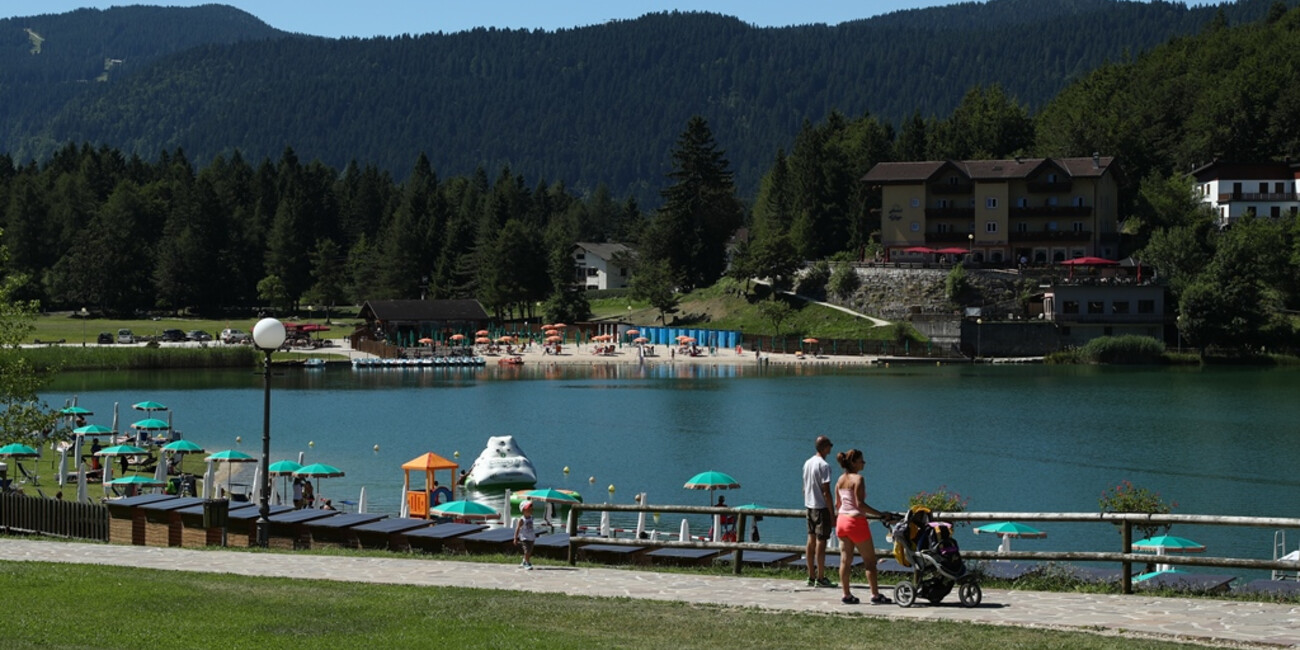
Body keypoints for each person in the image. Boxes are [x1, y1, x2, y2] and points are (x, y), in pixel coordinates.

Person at [834, 448, 890, 605]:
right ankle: (875, 594)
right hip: (856, 522)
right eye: (861, 461)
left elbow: (837, 504)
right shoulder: (858, 479)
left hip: (842, 521)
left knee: (845, 560)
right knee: (870, 562)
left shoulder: (840, 480)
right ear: (854, 463)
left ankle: (846, 594)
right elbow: (860, 504)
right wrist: (880, 514)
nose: (864, 463)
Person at [802, 435, 835, 588]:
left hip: (809, 506)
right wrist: (831, 511)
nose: (831, 449)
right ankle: (820, 577)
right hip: (821, 507)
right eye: (829, 446)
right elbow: (826, 492)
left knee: (810, 541)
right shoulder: (824, 466)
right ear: (824, 447)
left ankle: (811, 575)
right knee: (821, 542)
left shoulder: (807, 463)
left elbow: (804, 488)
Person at [514, 500, 536, 570]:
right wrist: (515, 538)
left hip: (531, 537)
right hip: (524, 538)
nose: (530, 511)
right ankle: (527, 562)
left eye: (531, 509)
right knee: (527, 550)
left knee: (530, 551)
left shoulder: (531, 517)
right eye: (528, 510)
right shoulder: (522, 519)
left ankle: (525, 560)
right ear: (523, 511)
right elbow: (518, 528)